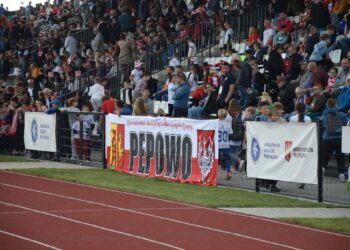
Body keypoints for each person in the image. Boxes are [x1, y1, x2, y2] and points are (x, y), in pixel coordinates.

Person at [321, 98, 348, 182]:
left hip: (327, 138)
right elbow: (347, 122)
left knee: (325, 157)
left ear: (327, 105)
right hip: (339, 139)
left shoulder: (324, 115)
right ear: (336, 105)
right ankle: (342, 175)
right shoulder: (342, 115)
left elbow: (321, 122)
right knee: (340, 157)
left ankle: (322, 171)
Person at [218, 109, 234, 180]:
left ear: (218, 115)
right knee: (227, 158)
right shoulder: (228, 124)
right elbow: (231, 134)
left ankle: (214, 173)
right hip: (225, 143)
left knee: (216, 158)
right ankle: (228, 172)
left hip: (218, 143)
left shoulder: (215, 123)